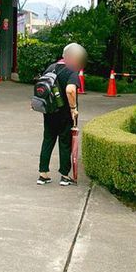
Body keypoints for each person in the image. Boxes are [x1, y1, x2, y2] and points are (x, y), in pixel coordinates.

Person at [37, 42, 84, 186]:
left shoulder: (51, 68)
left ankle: (43, 174)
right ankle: (64, 176)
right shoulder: (72, 70)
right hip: (64, 114)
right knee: (65, 143)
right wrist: (73, 108)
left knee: (48, 140)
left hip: (49, 111)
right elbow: (70, 90)